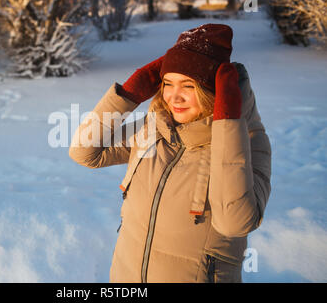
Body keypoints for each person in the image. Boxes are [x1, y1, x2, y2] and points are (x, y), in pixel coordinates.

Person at [68, 23, 272, 283]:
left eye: (188, 86)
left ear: (215, 91)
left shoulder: (250, 142)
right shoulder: (156, 129)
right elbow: (84, 152)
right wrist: (128, 95)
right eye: (168, 83)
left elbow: (235, 222)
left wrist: (228, 121)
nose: (174, 97)